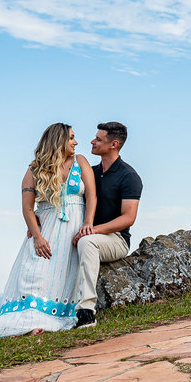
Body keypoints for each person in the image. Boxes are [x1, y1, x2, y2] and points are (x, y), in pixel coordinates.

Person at [0, 123, 97, 342]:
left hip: (74, 230)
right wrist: (38, 238)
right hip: (46, 229)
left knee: (65, 277)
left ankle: (53, 319)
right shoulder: (34, 169)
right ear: (58, 140)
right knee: (35, 275)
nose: (76, 142)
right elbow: (27, 208)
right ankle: (27, 323)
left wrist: (87, 223)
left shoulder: (80, 162)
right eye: (71, 138)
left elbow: (91, 195)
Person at [71, 121, 142, 328]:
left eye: (98, 139)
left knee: (87, 242)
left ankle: (86, 312)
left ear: (114, 144)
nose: (92, 141)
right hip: (90, 234)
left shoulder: (129, 176)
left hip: (116, 239)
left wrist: (92, 230)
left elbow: (128, 218)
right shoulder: (91, 172)